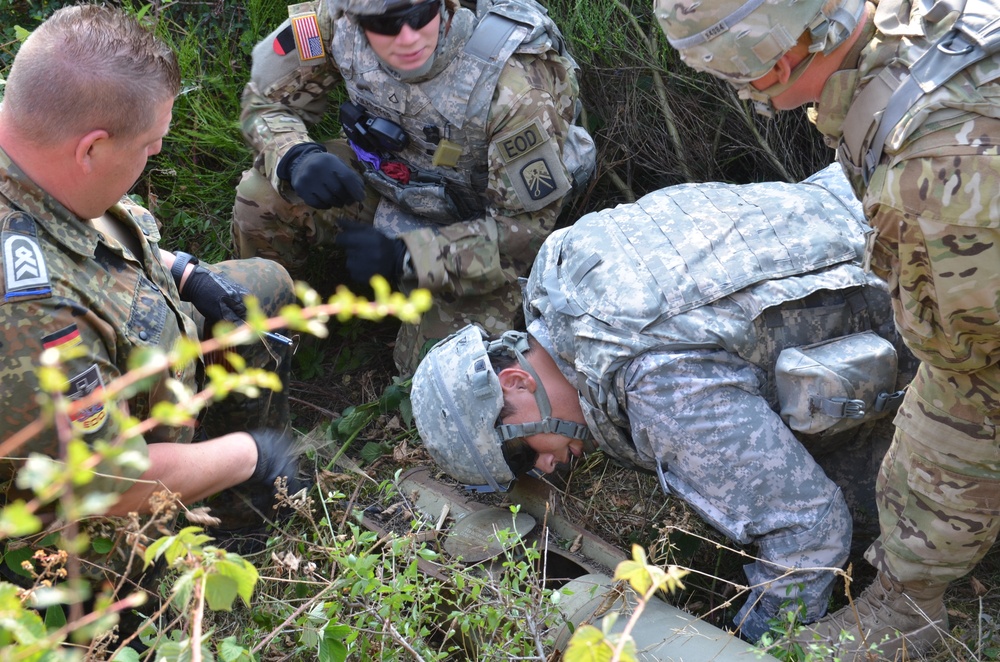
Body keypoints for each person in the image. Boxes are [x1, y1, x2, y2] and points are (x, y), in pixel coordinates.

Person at [410, 163, 912, 641]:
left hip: (920, 280)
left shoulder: (655, 390)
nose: (544, 467)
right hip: (872, 190)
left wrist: (759, 641)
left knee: (871, 518)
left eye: (522, 453)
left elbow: (809, 526)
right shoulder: (563, 261)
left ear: (516, 381)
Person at [654, 0, 1000, 656]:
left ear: (777, 63)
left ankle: (909, 610)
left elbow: (971, 366)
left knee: (955, 403)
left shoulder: (930, 171)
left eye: (731, 77)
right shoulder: (930, 26)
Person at [0, 5, 306, 605]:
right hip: (74, 508)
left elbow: (95, 239)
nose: (153, 159)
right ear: (90, 150)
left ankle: (233, 499)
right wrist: (250, 454)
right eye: (149, 147)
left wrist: (183, 272)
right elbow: (112, 481)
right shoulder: (31, 314)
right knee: (112, 583)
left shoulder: (34, 146)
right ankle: (154, 591)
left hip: (126, 349)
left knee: (260, 288)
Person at [232, 0, 596, 374]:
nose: (407, 37)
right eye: (385, 24)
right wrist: (296, 155)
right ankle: (271, 344)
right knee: (262, 200)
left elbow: (526, 235)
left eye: (419, 14)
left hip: (473, 222)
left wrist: (407, 258)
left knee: (436, 375)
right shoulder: (333, 20)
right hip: (384, 178)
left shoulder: (512, 82)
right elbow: (262, 98)